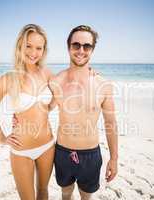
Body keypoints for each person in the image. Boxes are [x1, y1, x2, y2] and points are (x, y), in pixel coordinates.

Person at [0, 24, 55, 200]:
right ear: (20, 46)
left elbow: (65, 92)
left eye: (38, 48)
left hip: (47, 146)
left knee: (43, 191)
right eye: (28, 46)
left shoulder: (47, 74)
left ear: (43, 50)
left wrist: (89, 73)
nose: (33, 52)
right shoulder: (8, 78)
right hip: (21, 150)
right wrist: (1, 137)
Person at [49, 25, 118, 200]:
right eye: (76, 45)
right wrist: (19, 115)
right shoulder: (55, 81)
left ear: (92, 49)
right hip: (62, 152)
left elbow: (111, 124)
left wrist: (114, 158)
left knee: (86, 196)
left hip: (90, 154)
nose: (81, 50)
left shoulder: (103, 84)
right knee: (65, 193)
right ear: (68, 47)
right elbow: (42, 107)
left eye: (87, 46)